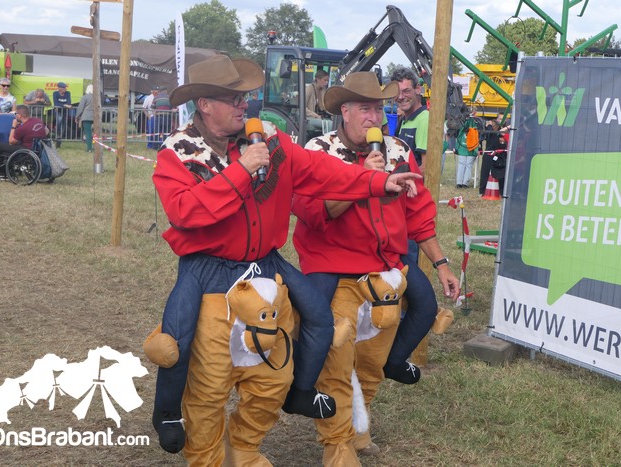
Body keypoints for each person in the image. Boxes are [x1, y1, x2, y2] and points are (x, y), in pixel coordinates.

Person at [149, 55, 421, 464]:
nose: (244, 104)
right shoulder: (177, 151)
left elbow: (319, 171)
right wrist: (242, 170)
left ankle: (271, 422)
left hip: (265, 264)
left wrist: (377, 181)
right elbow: (185, 212)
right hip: (209, 270)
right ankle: (170, 416)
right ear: (204, 104)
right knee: (185, 351)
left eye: (244, 97)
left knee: (294, 349)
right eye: (233, 99)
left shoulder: (268, 139)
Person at [292, 71, 460, 464]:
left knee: (383, 349)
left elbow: (418, 214)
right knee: (326, 342)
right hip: (333, 262)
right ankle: (306, 399)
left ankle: (363, 416)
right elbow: (310, 212)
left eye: (379, 109)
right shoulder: (319, 150)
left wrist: (441, 263)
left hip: (387, 265)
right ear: (345, 112)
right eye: (365, 109)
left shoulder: (398, 150)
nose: (374, 118)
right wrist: (364, 179)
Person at [391, 66, 429, 171]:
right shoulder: (404, 120)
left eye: (406, 91)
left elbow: (426, 168)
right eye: (397, 92)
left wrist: (396, 179)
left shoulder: (424, 120)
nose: (401, 97)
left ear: (417, 89)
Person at [0, 104, 49, 171]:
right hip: (38, 148)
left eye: (16, 113)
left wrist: (13, 126)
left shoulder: (23, 128)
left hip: (26, 150)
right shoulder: (38, 120)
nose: (15, 115)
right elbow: (47, 131)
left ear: (20, 115)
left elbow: (11, 142)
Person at [305, 69, 330, 135]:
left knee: (334, 123)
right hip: (308, 119)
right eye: (325, 80)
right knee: (329, 124)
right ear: (318, 79)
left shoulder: (323, 90)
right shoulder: (309, 89)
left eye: (327, 81)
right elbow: (302, 108)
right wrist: (315, 116)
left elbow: (325, 107)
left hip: (319, 118)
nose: (326, 82)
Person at [74, 85, 94, 152]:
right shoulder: (97, 97)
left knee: (88, 133)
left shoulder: (85, 97)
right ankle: (95, 147)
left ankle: (89, 148)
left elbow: (80, 108)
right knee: (95, 133)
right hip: (96, 117)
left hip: (86, 117)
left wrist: (77, 116)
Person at [52, 82, 72, 147]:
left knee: (63, 126)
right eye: (63, 87)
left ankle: (59, 139)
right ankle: (58, 137)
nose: (65, 89)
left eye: (65, 87)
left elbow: (69, 102)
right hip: (58, 112)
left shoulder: (68, 93)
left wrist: (65, 105)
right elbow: (56, 104)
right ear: (59, 88)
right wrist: (64, 105)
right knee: (58, 124)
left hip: (65, 112)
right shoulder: (55, 93)